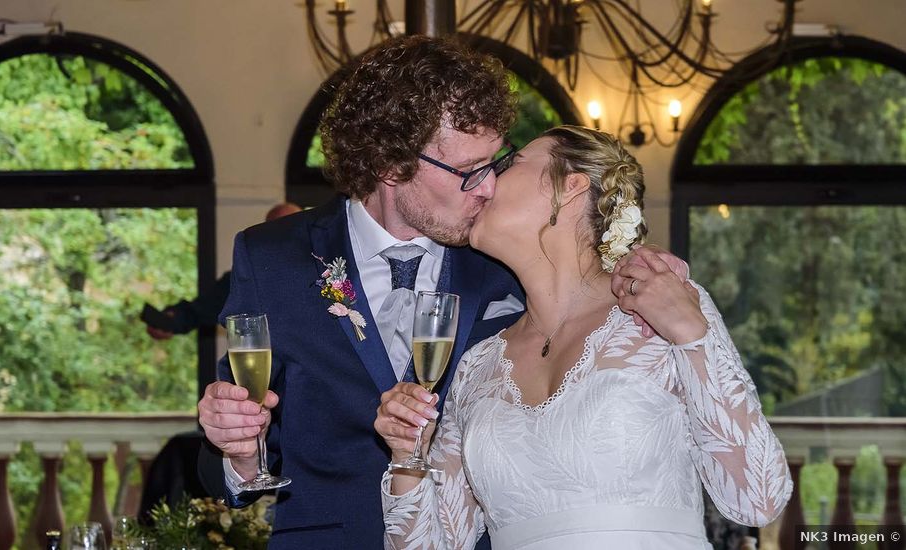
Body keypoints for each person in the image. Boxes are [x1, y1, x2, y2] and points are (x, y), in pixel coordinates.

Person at [196, 36, 684, 549]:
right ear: (390, 165)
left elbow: (578, 278)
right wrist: (239, 454)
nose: (488, 188)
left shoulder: (502, 252)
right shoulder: (273, 257)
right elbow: (238, 442)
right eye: (469, 172)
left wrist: (630, 265)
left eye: (494, 163)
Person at [375, 126, 793, 550]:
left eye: (508, 163)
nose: (486, 182)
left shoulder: (664, 309)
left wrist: (692, 334)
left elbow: (757, 499)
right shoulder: (475, 365)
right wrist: (407, 454)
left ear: (569, 186)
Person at [144, 202, 301, 340]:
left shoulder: (322, 270)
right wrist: (168, 322)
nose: (283, 238)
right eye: (276, 230)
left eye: (290, 228)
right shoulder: (247, 278)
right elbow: (199, 310)